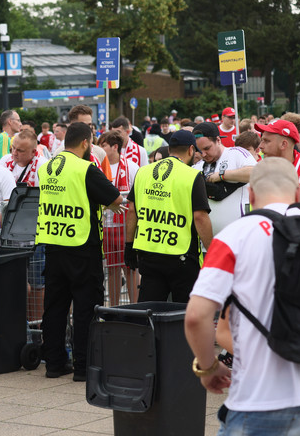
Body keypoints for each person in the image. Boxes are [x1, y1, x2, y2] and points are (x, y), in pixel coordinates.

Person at [185, 157, 300, 435]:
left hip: (258, 402)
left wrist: (208, 368)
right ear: (297, 194)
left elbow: (196, 317)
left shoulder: (233, 237)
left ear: (253, 194)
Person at [37, 122, 124, 382]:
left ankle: (53, 363)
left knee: (54, 307)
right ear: (86, 143)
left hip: (53, 244)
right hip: (82, 246)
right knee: (86, 307)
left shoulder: (47, 167)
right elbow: (115, 197)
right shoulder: (86, 168)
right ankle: (84, 366)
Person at [125, 130, 213, 303]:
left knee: (148, 313)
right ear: (190, 150)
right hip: (181, 256)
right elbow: (200, 217)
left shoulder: (143, 172)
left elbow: (132, 210)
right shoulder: (192, 176)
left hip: (148, 253)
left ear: (170, 148)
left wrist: (129, 245)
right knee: (184, 315)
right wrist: (212, 251)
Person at [97, 130, 140, 306]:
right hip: (107, 227)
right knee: (112, 270)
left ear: (115, 147)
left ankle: (136, 309)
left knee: (130, 269)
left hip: (126, 225)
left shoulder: (131, 167)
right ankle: (114, 309)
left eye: (103, 145)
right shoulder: (97, 167)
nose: (99, 149)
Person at [192, 122, 256, 235]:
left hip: (240, 237)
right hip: (209, 244)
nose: (204, 154)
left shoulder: (236, 153)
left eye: (207, 148)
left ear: (218, 140)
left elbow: (256, 172)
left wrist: (222, 175)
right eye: (200, 150)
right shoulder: (197, 166)